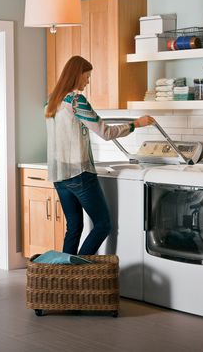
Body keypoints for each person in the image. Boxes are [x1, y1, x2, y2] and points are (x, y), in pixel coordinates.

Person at [45, 55, 155, 255]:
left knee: (74, 227)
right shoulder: (76, 100)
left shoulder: (53, 102)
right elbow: (106, 133)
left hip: (59, 176)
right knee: (103, 224)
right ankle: (79, 271)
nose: (88, 81)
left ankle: (65, 278)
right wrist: (136, 124)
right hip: (79, 174)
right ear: (77, 75)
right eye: (87, 76)